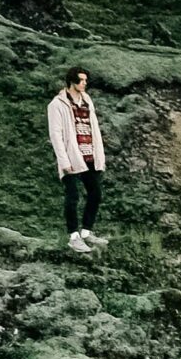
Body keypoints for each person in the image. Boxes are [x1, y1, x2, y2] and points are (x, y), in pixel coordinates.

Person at [46, 67, 108, 253]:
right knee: (73, 196)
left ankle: (87, 233)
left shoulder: (87, 100)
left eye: (85, 80)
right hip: (71, 155)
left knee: (95, 194)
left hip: (89, 154)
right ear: (72, 81)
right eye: (82, 80)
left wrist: (99, 155)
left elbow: (93, 128)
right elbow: (56, 135)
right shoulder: (56, 104)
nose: (85, 83)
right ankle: (73, 237)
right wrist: (63, 160)